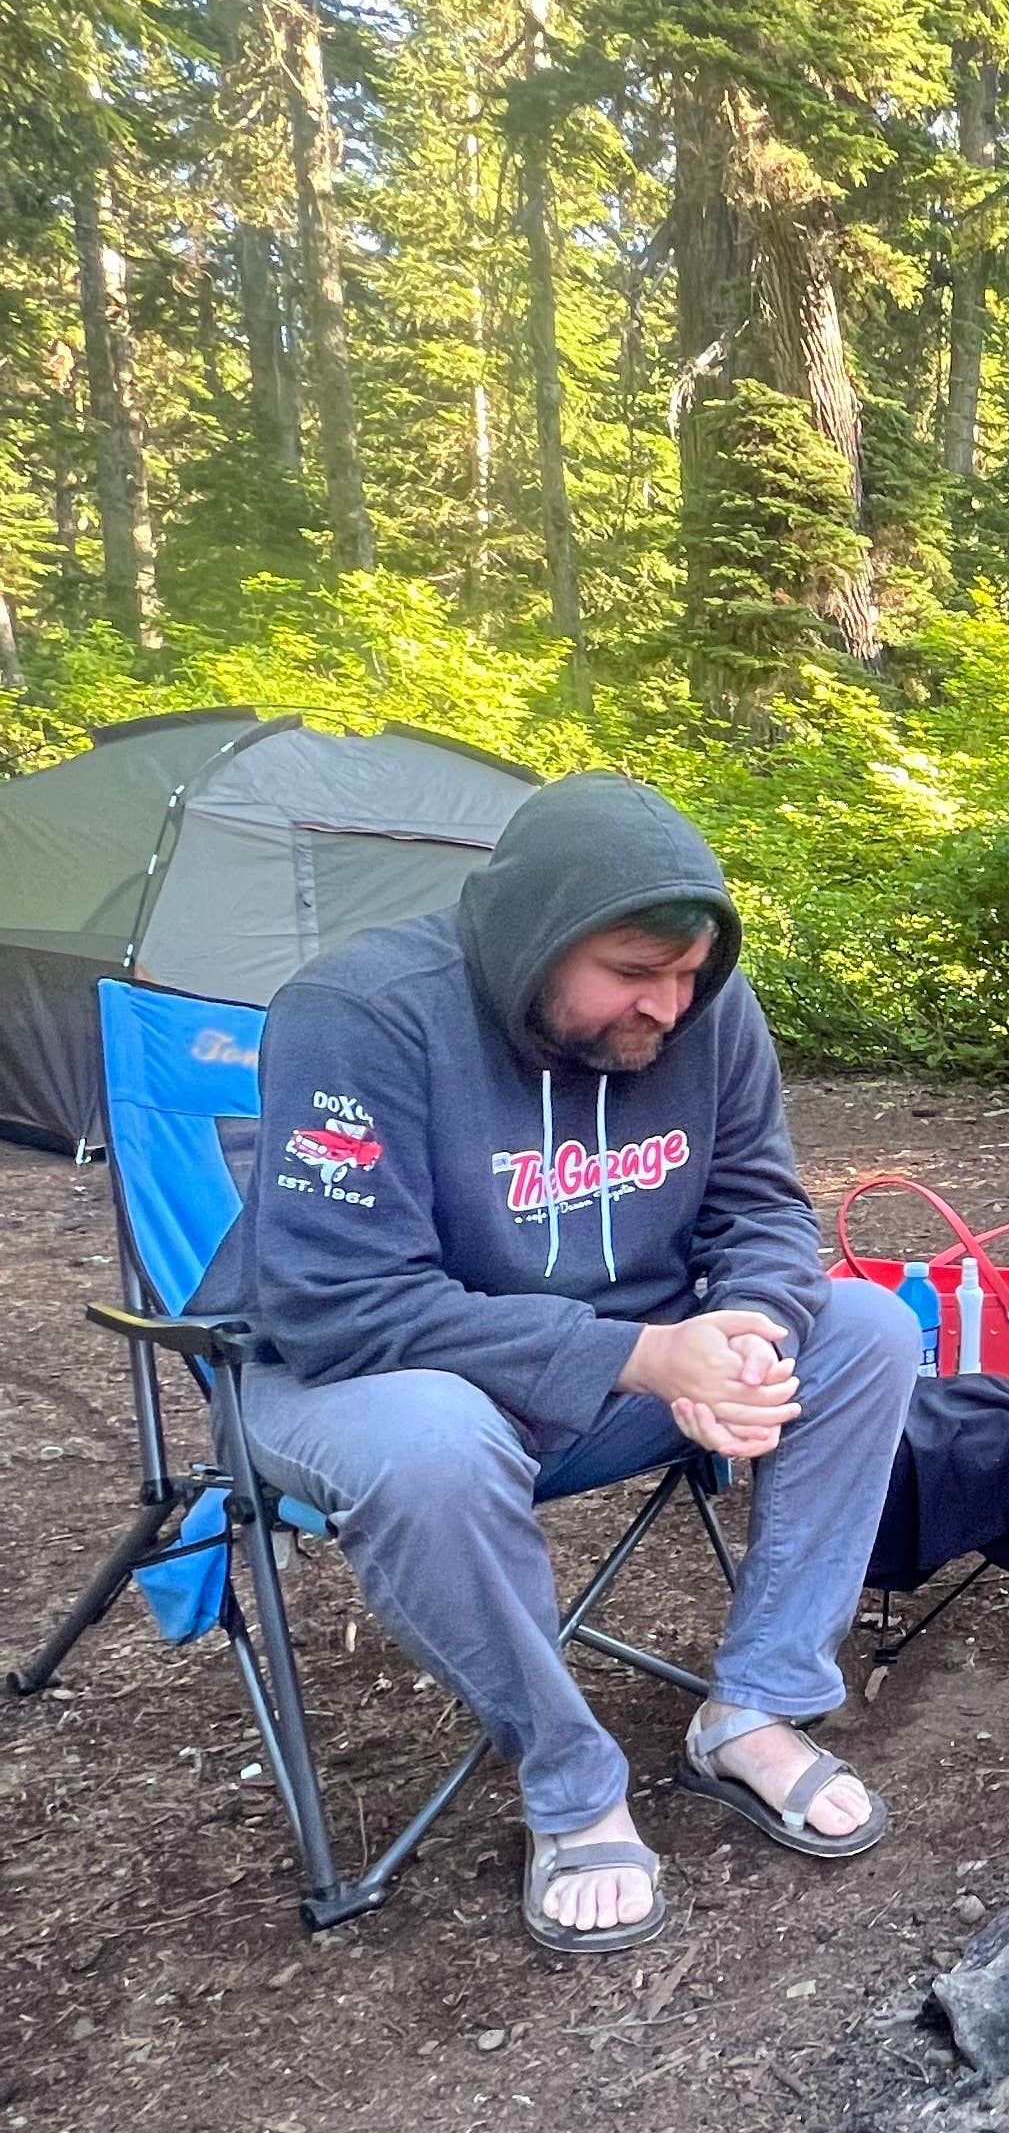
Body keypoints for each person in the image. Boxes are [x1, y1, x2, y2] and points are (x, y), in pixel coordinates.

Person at [218, 770, 921, 1957]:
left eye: (689, 975)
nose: (668, 1006)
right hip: (363, 1383)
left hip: (623, 1372)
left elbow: (760, 1203)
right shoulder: (365, 1012)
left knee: (867, 1332)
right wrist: (647, 1355)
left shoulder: (701, 1013)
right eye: (634, 974)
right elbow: (342, 1303)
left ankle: (756, 1705)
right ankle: (571, 1783)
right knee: (431, 1444)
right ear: (533, 940)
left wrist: (748, 1320)